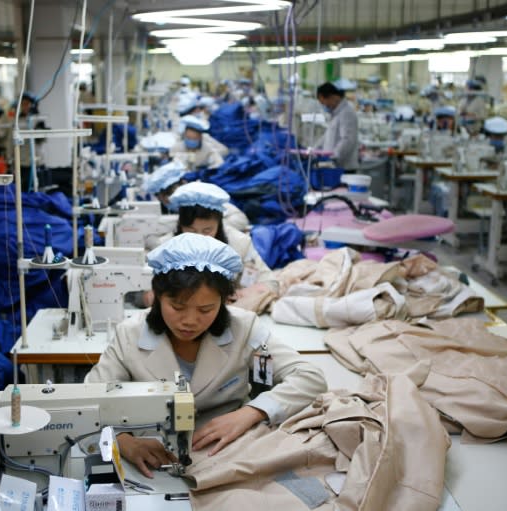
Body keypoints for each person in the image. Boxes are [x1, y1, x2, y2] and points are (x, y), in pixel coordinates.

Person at [85, 233, 327, 477]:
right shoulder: (130, 334)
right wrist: (123, 440)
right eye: (177, 307)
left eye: (206, 309)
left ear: (224, 301)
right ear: (157, 296)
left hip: (228, 451)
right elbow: (87, 402)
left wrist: (251, 412)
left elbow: (309, 378)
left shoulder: (243, 328)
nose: (190, 321)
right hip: (152, 457)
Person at [168, 182, 272, 287]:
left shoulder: (240, 243)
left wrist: (245, 292)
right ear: (180, 226)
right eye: (191, 231)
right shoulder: (167, 248)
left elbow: (267, 280)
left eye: (207, 231)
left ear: (219, 224)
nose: (199, 238)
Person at [145, 163, 250, 232]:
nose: (166, 201)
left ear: (183, 184)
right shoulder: (173, 212)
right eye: (162, 199)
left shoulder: (204, 197)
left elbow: (240, 219)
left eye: (167, 197)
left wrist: (210, 227)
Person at [315, 82, 359, 172]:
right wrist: (313, 150)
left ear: (332, 97)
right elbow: (327, 136)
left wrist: (333, 157)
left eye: (325, 103)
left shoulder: (347, 113)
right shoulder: (335, 114)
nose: (325, 107)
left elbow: (348, 140)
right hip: (333, 166)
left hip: (343, 167)